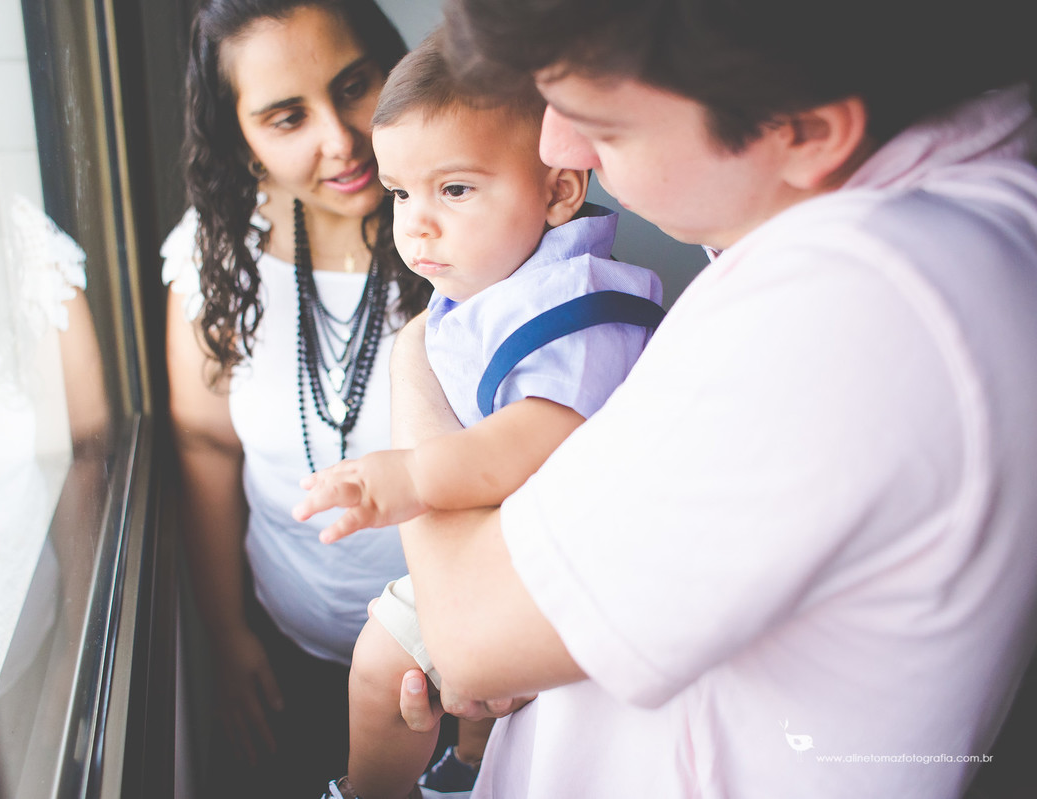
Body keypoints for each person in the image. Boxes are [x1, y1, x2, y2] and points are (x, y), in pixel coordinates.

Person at [381, 1, 1037, 798]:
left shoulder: (859, 302)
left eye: (602, 124)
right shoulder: (920, 221)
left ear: (807, 131)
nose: (557, 146)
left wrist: (414, 354)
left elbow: (471, 637)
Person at [292, 29, 662, 799]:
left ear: (559, 189)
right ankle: (457, 774)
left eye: (454, 190)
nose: (416, 223)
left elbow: (543, 432)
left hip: (563, 566)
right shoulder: (500, 274)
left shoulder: (579, 306)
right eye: (400, 192)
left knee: (382, 663)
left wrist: (415, 473)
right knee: (438, 698)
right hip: (503, 551)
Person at [162, 1, 431, 794]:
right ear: (238, 136)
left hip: (460, 663)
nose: (341, 140)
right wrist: (225, 631)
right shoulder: (216, 259)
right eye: (288, 118)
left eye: (354, 86)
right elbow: (207, 445)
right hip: (291, 658)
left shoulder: (470, 224)